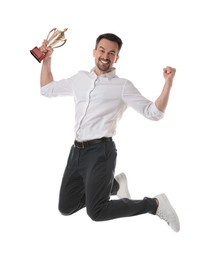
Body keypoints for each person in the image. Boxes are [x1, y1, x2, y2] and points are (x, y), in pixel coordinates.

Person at [39, 33, 180, 232]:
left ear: (117, 58)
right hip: (76, 151)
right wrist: (47, 59)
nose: (105, 56)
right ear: (94, 52)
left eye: (111, 53)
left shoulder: (122, 86)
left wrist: (168, 83)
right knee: (66, 206)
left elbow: (153, 113)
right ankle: (114, 185)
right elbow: (46, 90)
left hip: (100, 152)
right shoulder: (80, 79)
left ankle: (155, 205)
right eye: (102, 51)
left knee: (96, 212)